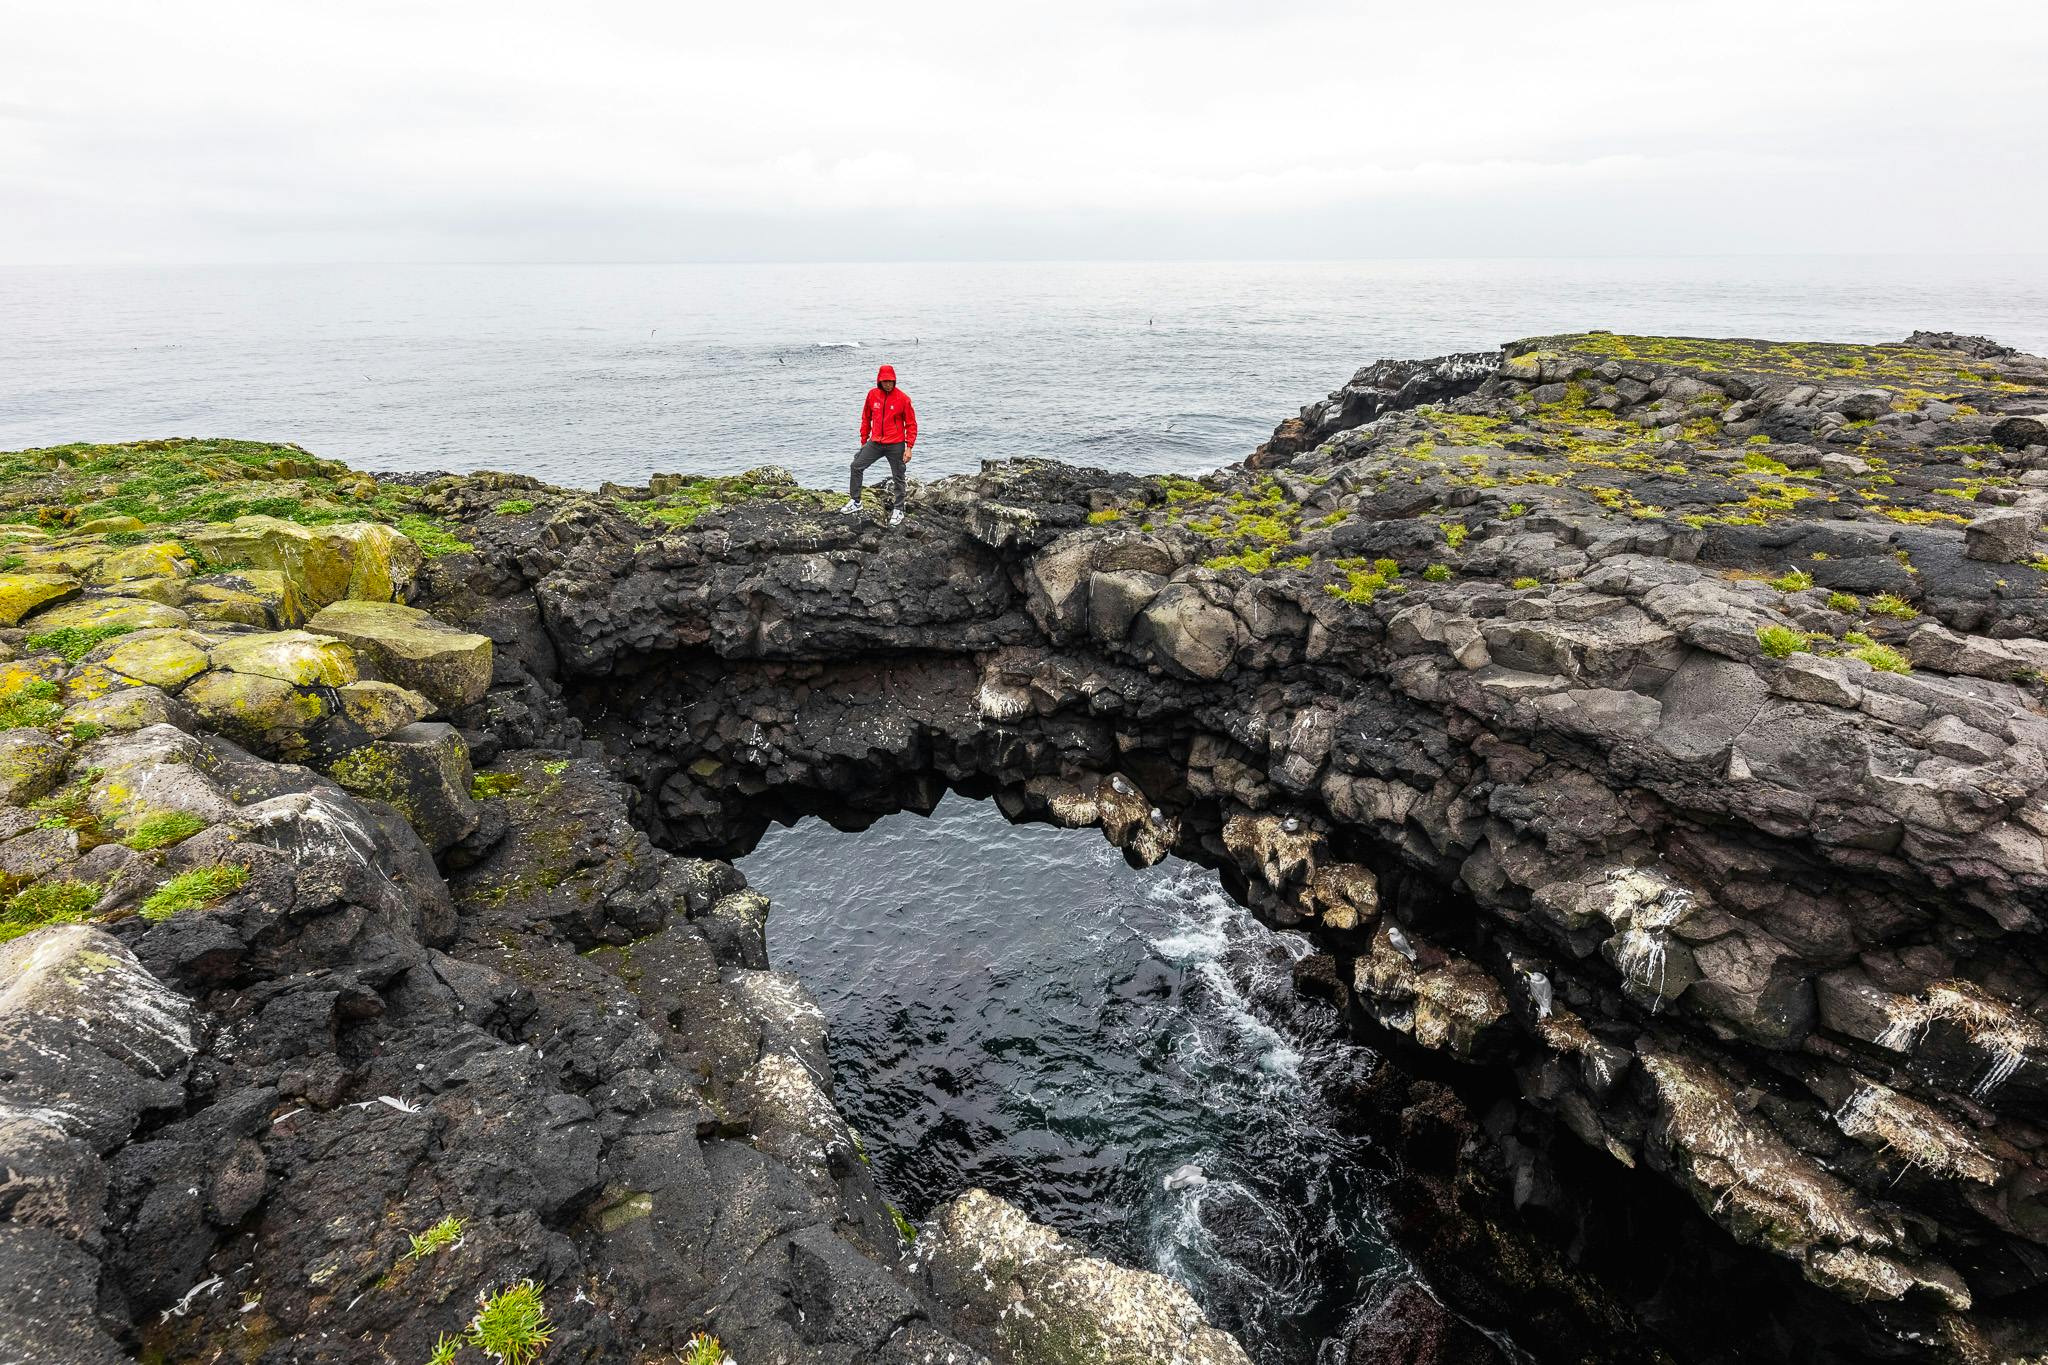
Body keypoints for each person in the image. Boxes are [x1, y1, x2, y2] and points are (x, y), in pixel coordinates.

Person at [841, 364, 917, 526]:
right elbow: (866, 417)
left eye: (890, 381)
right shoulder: (872, 395)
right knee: (856, 466)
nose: (887, 384)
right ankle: (856, 501)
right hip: (875, 442)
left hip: (895, 444)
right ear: (879, 381)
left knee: (898, 476)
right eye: (884, 381)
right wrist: (864, 441)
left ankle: (898, 509)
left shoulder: (903, 399)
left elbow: (911, 424)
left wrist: (909, 447)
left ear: (894, 380)